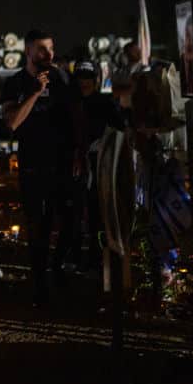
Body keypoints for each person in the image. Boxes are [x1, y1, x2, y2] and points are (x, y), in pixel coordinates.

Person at [3, 29, 82, 306]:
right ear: (27, 51)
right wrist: (35, 93)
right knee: (38, 227)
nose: (48, 54)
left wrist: (77, 154)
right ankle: (40, 285)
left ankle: (58, 266)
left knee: (71, 223)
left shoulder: (61, 79)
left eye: (50, 48)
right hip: (33, 166)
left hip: (62, 164)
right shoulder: (16, 83)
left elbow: (74, 119)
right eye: (40, 49)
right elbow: (13, 122)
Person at [72, 62, 127, 271]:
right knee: (76, 212)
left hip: (99, 163)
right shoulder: (71, 103)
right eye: (80, 78)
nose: (84, 83)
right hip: (76, 165)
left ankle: (100, 256)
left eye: (88, 78)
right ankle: (78, 257)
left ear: (95, 80)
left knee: (98, 211)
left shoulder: (104, 103)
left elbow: (119, 128)